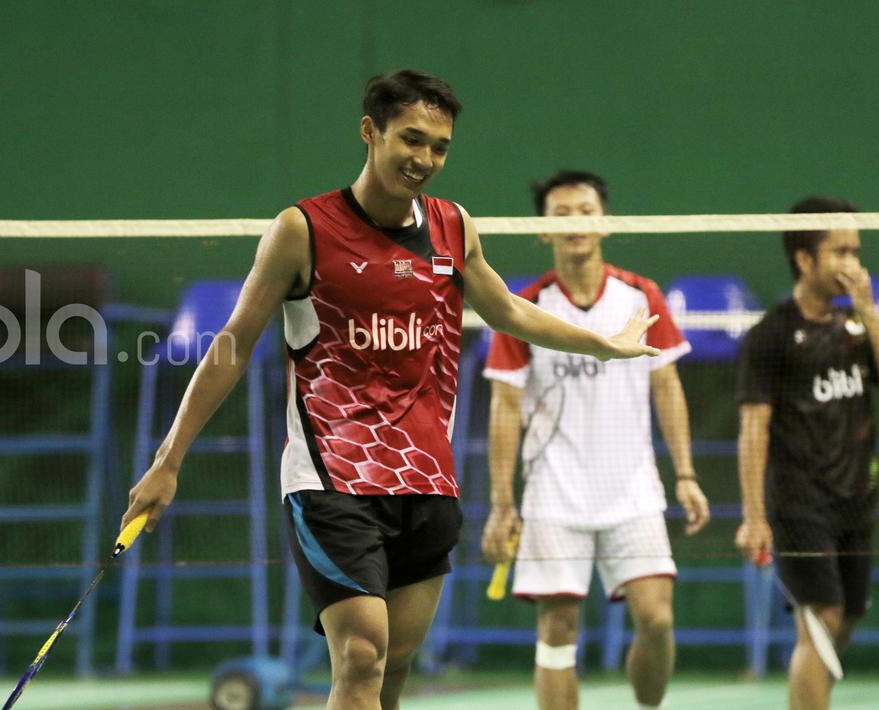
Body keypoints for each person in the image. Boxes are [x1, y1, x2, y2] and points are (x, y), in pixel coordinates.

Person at [121, 71, 662, 710]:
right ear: (369, 131)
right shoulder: (303, 230)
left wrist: (602, 342)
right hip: (332, 481)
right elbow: (234, 342)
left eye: (440, 146)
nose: (425, 159)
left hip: (426, 481)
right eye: (412, 139)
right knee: (361, 653)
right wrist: (167, 461)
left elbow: (510, 312)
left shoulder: (452, 227)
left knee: (395, 668)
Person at [481, 170, 710, 710]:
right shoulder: (526, 307)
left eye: (586, 210)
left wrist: (686, 475)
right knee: (558, 630)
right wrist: (501, 502)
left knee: (656, 617)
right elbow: (505, 406)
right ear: (544, 230)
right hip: (554, 497)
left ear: (603, 221)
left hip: (633, 492)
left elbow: (667, 387)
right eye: (562, 213)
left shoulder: (640, 296)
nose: (575, 222)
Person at [734, 196, 879, 710]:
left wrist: (870, 315)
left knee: (845, 621)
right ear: (804, 259)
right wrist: (754, 516)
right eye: (840, 251)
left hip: (855, 502)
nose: (853, 264)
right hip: (799, 506)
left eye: (856, 251)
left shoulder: (856, 330)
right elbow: (753, 429)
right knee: (822, 620)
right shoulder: (770, 337)